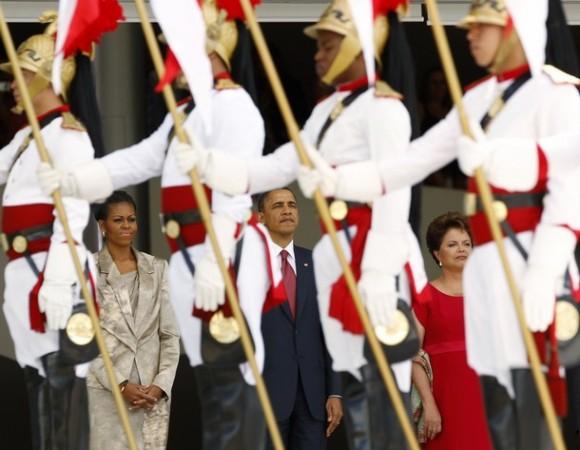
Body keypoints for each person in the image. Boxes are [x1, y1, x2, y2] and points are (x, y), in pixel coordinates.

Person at [296, 1, 580, 448]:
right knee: (497, 414)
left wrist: (546, 271)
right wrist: (339, 179)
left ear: (512, 28)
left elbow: (569, 190)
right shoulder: (478, 97)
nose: (469, 35)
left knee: (535, 409)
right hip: (489, 267)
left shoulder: (557, 93)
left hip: (535, 258)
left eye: (481, 27)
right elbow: (413, 160)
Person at [167, 1, 430, 448]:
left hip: (374, 250)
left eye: (328, 45)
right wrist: (211, 164)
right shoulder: (329, 110)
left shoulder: (384, 108)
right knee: (357, 390)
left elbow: (394, 190)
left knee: (382, 393)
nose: (318, 55)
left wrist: (380, 272)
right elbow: (274, 168)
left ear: (357, 45)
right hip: (337, 252)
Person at [36, 1, 274, 448]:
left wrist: (216, 262)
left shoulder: (234, 105)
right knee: (211, 381)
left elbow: (236, 193)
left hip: (221, 255)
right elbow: (139, 159)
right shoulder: (184, 113)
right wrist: (74, 179)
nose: (170, 58)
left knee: (233, 377)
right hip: (188, 256)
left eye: (178, 48)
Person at [0, 12, 105, 450]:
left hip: (52, 273)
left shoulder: (67, 137)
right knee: (37, 382)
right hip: (24, 271)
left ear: (47, 79)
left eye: (23, 74)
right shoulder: (28, 139)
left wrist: (60, 281)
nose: (14, 84)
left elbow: (74, 216)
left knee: (65, 384)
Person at [87, 191, 180, 450]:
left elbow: (170, 335)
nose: (127, 226)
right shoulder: (89, 271)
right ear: (102, 226)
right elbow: (85, 341)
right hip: (108, 394)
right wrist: (121, 384)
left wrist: (161, 385)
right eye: (118, 220)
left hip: (152, 397)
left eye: (131, 219)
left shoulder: (158, 267)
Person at [257, 188, 342, 450]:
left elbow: (331, 334)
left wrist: (335, 390)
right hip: (265, 395)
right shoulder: (248, 265)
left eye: (292, 205)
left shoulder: (318, 264)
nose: (287, 210)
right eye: (278, 206)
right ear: (261, 217)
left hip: (313, 397)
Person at [412, 212, 492, 449]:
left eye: (467, 244)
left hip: (485, 396)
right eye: (453, 244)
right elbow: (413, 357)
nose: (462, 249)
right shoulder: (424, 296)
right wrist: (429, 404)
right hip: (443, 400)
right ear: (437, 254)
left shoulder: (488, 295)